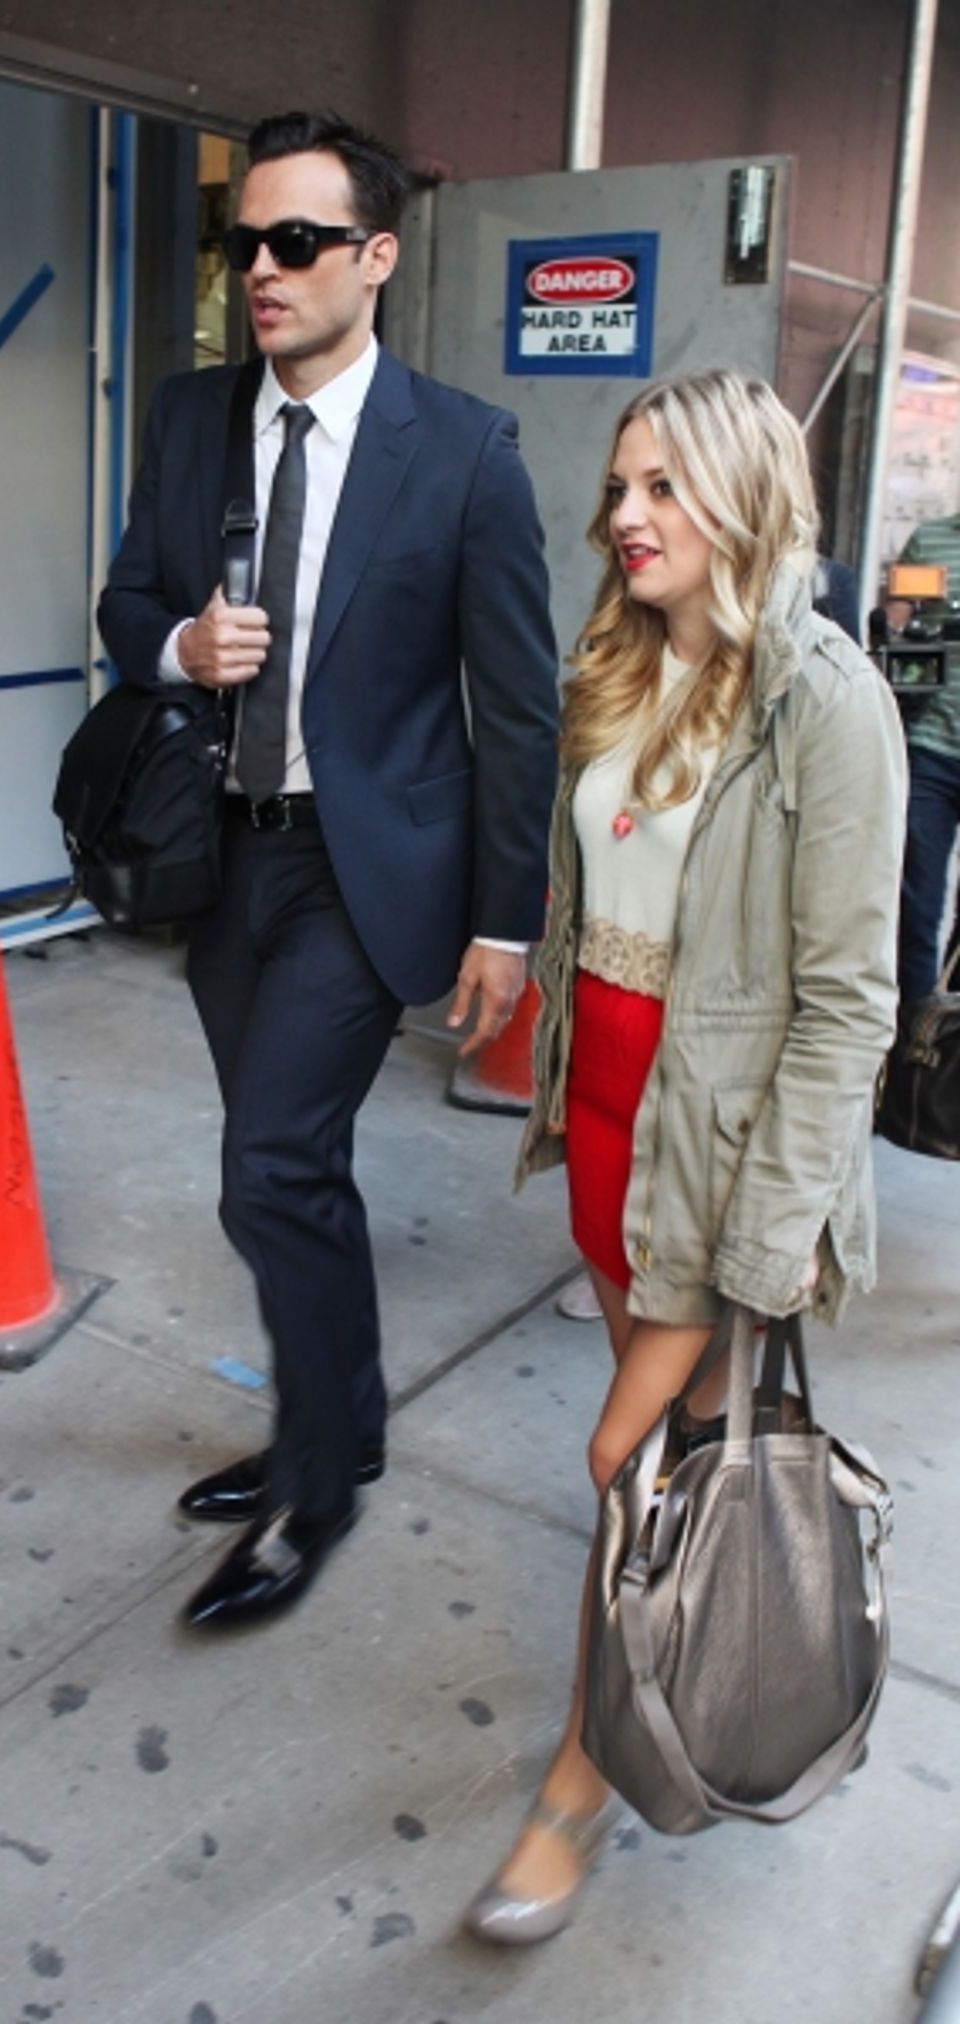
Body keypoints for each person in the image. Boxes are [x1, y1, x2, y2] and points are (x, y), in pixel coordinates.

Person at [98, 111, 559, 1630]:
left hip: (367, 878)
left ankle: (315, 1490)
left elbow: (517, 706)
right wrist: (177, 646)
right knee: (290, 1174)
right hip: (217, 863)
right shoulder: (185, 419)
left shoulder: (465, 451)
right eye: (247, 243)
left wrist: (509, 921)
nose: (265, 270)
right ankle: (338, 1417)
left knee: (268, 1170)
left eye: (299, 242)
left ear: (375, 256)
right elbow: (123, 605)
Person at [462, 367, 906, 1943]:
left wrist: (767, 1241)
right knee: (657, 1480)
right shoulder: (630, 668)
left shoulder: (829, 702)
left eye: (661, 486)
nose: (625, 516)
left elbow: (851, 1005)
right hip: (607, 1145)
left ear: (742, 495)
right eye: (620, 487)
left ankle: (586, 1784)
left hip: (717, 1172)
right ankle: (692, 1698)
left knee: (624, 1472)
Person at [894, 508, 960, 1006]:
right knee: (916, 906)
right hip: (931, 748)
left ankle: (951, 1050)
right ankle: (912, 1048)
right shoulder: (931, 541)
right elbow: (899, 625)